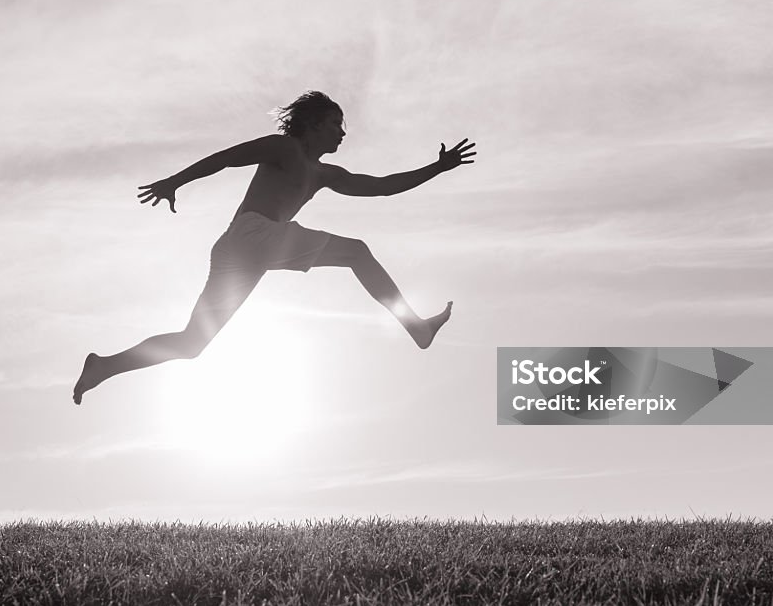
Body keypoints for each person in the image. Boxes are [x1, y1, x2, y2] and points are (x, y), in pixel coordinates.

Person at [73, 91, 475, 404]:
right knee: (357, 252)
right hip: (253, 235)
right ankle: (416, 327)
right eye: (336, 124)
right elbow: (225, 158)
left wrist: (437, 168)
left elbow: (382, 187)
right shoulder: (284, 149)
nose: (342, 132)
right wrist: (174, 181)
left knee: (192, 343)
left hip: (239, 250)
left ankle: (104, 367)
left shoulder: (324, 173)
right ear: (314, 124)